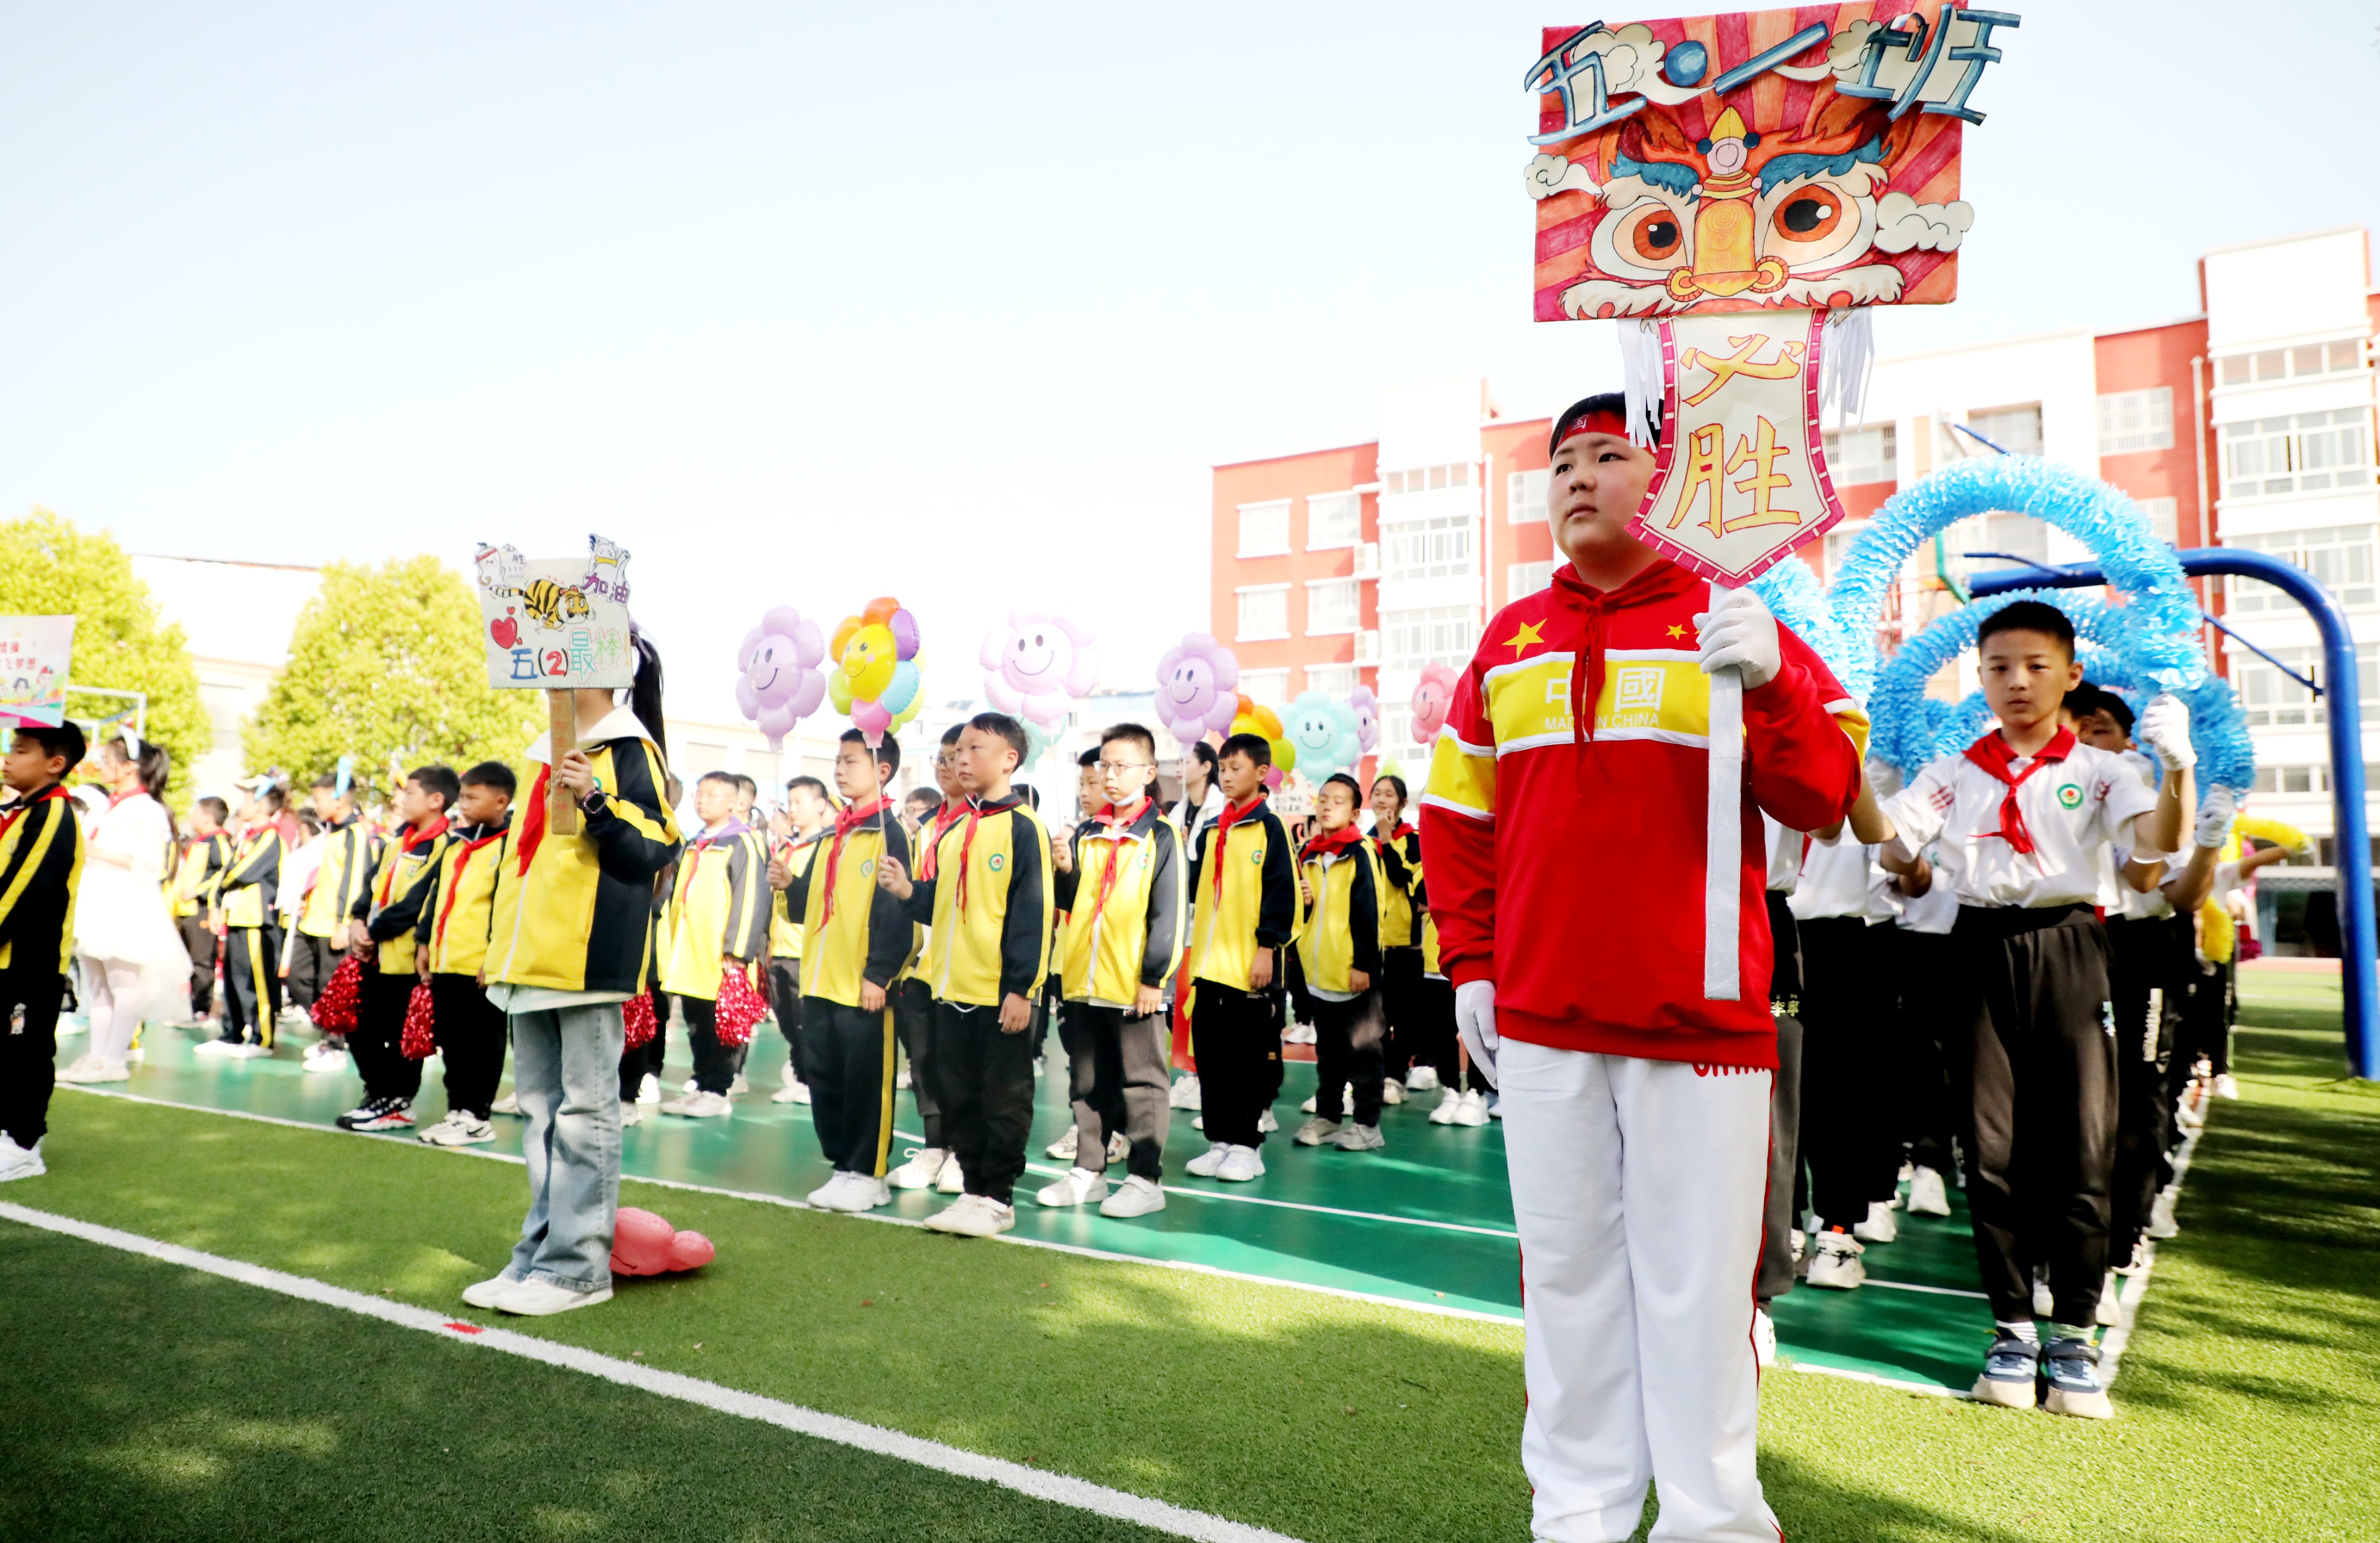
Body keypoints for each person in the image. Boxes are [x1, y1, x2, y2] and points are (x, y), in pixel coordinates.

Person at [1421, 393, 1866, 1540]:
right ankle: (1578, 1514)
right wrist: (1471, 963)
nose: (1576, 476)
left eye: (1607, 455)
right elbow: (1456, 821)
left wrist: (1772, 682)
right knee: (1566, 1280)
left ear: (1664, 481)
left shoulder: (1735, 621)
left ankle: (1713, 1522)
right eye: (1561, 461)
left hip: (1700, 1019)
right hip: (1540, 1017)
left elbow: (1825, 797)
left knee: (1699, 1293)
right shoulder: (1507, 641)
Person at [1873, 600, 2193, 1419]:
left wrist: (2178, 771)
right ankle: (2012, 1331)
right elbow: (1897, 848)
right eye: (1998, 668)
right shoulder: (1953, 771)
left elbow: (2150, 863)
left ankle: (2074, 1334)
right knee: (1990, 1151)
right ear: (1978, 676)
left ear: (2070, 674)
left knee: (2082, 1144)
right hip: (1977, 949)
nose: (2016, 681)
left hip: (2070, 948)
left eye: (2035, 666)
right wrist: (1858, 799)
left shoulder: (2104, 769)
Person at [465, 631, 680, 1317]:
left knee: (584, 1114)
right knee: (539, 1115)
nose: (547, 666)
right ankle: (538, 1257)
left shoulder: (628, 749)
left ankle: (579, 1269)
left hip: (586, 959)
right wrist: (497, 950)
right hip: (530, 960)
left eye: (564, 652)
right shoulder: (544, 750)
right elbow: (522, 866)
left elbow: (655, 846)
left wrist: (594, 800)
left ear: (603, 665)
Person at [876, 711, 1054, 1237]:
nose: (961, 759)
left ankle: (998, 1197)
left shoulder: (1023, 827)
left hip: (998, 995)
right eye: (958, 751)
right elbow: (945, 902)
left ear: (1009, 760)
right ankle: (972, 1189)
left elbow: (1032, 913)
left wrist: (1021, 988)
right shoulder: (954, 829)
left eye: (976, 749)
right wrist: (909, 891)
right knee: (959, 1096)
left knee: (1003, 1099)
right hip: (949, 989)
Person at [1039, 722, 1184, 1217]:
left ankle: (1145, 1178)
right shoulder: (1086, 832)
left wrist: (1153, 978)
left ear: (1148, 772)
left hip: (1132, 985)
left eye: (1121, 766)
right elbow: (1070, 903)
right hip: (1084, 979)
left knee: (1142, 1083)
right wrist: (1064, 868)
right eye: (1105, 765)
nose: (1110, 775)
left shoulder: (1160, 835)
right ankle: (1089, 1171)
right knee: (1087, 1081)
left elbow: (1169, 912)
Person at [778, 730, 914, 1213]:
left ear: (882, 771)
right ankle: (842, 1166)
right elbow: (812, 903)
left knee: (865, 1082)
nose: (839, 768)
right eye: (838, 759)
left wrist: (879, 973)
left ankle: (869, 1173)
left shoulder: (889, 834)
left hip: (860, 985)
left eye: (851, 760)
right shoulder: (834, 834)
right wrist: (790, 884)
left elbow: (896, 910)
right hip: (820, 979)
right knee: (825, 1077)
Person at [1790, 811, 1904, 1289]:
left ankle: (1811, 1234)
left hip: (1806, 938)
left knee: (1812, 1089)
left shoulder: (1850, 767)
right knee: (1818, 1091)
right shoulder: (1853, 777)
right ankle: (1816, 1235)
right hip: (1807, 936)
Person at [1181, 732, 1296, 1183]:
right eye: (1223, 769)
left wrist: (1266, 949)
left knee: (1247, 1063)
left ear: (1262, 773)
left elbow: (1282, 895)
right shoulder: (1214, 829)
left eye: (1236, 768)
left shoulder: (1270, 828)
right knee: (1212, 1061)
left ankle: (1247, 1146)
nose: (1227, 777)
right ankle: (1221, 1141)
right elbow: (1197, 890)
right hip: (1209, 967)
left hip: (1249, 968)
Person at [335, 765, 457, 1132]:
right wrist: (357, 921)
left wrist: (372, 932)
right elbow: (370, 887)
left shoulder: (444, 846)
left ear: (436, 800)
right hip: (374, 955)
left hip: (406, 960)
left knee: (403, 1035)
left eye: (411, 793)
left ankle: (398, 1101)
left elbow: (417, 902)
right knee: (359, 1026)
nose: (401, 799)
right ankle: (379, 1093)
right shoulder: (396, 842)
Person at [61, 732, 184, 1086]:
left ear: (130, 766)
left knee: (124, 984)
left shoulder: (147, 810)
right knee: (99, 984)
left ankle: (115, 1058)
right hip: (99, 899)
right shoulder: (114, 805)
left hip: (125, 902)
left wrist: (96, 852)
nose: (102, 765)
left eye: (108, 759)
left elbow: (149, 864)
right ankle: (98, 1057)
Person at [0, 723, 91, 1182]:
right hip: (7, 961)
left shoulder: (53, 812)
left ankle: (23, 1145)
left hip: (30, 965)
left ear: (55, 763)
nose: (8, 757)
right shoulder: (22, 810)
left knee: (26, 1052)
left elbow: (22, 888)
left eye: (21, 750)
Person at [655, 771, 770, 1117]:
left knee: (721, 1024)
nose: (702, 800)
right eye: (699, 793)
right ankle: (703, 1084)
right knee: (696, 1023)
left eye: (713, 794)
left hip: (721, 956)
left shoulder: (743, 842)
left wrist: (737, 951)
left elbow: (751, 897)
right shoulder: (695, 842)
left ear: (734, 802)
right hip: (690, 953)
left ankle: (718, 1090)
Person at [413, 761, 516, 1146]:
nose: (464, 803)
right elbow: (436, 895)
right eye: (463, 796)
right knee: (452, 1041)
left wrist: (495, 957)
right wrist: (424, 941)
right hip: (445, 961)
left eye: (473, 797)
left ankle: (477, 1115)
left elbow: (509, 907)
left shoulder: (509, 847)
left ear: (501, 801)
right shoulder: (457, 844)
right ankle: (457, 1109)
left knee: (483, 1042)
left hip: (480, 966)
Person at [884, 724, 967, 1191]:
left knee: (959, 1064)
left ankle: (962, 1151)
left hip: (964, 968)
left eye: (955, 756)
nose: (945, 765)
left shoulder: (983, 823)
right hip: (922, 965)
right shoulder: (925, 827)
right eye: (940, 757)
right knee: (924, 1061)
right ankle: (934, 1147)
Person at [1290, 772, 1387, 1152]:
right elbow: (1305, 915)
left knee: (1365, 1054)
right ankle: (1329, 1117)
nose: (1328, 806)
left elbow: (1370, 911)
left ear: (1355, 813)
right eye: (1323, 799)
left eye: (1339, 801)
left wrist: (1364, 965)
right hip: (1321, 974)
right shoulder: (1309, 855)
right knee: (1328, 1055)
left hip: (1355, 975)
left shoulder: (1361, 852)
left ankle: (1367, 1125)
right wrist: (1306, 905)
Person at [290, 773, 375, 1067]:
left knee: (333, 987)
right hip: (312, 921)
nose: (315, 805)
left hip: (334, 925)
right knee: (297, 974)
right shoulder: (329, 832)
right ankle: (326, 1029)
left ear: (338, 799)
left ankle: (335, 1045)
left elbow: (356, 880)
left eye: (319, 799)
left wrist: (345, 921)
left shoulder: (355, 834)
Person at [764, 775, 832, 1106]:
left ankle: (814, 1080)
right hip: (779, 948)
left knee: (808, 1022)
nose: (792, 809)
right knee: (788, 1020)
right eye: (789, 803)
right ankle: (800, 1076)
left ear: (820, 806)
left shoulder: (825, 847)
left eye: (799, 802)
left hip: (806, 950)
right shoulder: (785, 849)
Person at [208, 785, 290, 1058]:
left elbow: (242, 871)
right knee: (233, 979)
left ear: (259, 806)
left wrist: (225, 881)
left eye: (247, 800)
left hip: (257, 920)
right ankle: (232, 1033)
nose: (241, 805)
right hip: (238, 917)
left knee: (257, 982)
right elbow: (229, 870)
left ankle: (262, 1038)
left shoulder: (270, 837)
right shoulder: (248, 836)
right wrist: (218, 899)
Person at [1368, 775, 1423, 1102]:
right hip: (1373, 946)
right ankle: (1376, 1076)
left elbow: (1403, 879)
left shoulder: (1413, 841)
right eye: (1377, 793)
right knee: (1373, 1018)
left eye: (1389, 794)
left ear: (1402, 803)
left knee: (1402, 1018)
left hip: (1405, 946)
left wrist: (1388, 839)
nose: (1381, 799)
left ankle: (1396, 1077)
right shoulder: (1363, 843)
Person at [170, 796, 232, 1026]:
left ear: (207, 817)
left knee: (202, 961)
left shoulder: (220, 842)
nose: (191, 817)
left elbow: (225, 873)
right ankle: (188, 1007)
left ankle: (201, 1010)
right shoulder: (201, 841)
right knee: (188, 961)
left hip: (202, 910)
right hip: (186, 910)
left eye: (195, 813)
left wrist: (198, 891)